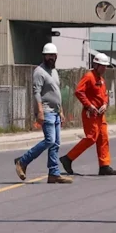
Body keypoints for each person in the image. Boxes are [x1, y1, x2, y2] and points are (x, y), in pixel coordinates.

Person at [15, 43, 73, 184]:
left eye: (53, 55)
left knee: (55, 144)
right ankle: (22, 161)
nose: (51, 58)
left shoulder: (54, 72)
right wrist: (40, 111)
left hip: (55, 112)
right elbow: (37, 92)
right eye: (48, 55)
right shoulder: (39, 72)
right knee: (50, 140)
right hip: (46, 111)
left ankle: (54, 174)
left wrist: (61, 111)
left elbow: (56, 92)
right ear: (44, 56)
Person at [60, 53, 116, 176]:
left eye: (105, 66)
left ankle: (104, 166)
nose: (104, 68)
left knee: (103, 138)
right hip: (90, 114)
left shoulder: (101, 80)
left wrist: (105, 104)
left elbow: (105, 95)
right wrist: (89, 105)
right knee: (92, 137)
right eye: (102, 66)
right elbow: (79, 91)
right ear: (96, 65)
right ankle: (68, 158)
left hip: (100, 114)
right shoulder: (89, 76)